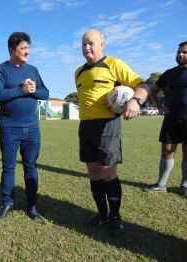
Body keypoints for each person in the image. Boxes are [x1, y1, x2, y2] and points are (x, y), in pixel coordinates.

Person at [75, 29, 149, 236]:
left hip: (108, 125)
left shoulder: (114, 64)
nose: (87, 48)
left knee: (108, 172)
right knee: (93, 171)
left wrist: (136, 100)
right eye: (83, 44)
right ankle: (102, 213)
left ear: (102, 44)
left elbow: (142, 85)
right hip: (85, 126)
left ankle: (116, 216)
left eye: (91, 43)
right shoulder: (79, 71)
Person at [0, 32, 49, 220]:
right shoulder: (0, 70)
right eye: (23, 48)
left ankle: (32, 205)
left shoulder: (33, 70)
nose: (27, 51)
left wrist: (33, 90)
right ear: (11, 50)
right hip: (9, 127)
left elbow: (45, 93)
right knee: (8, 167)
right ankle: (7, 203)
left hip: (32, 128)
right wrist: (21, 90)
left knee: (30, 166)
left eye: (29, 47)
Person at [144, 41, 187, 199]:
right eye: (178, 52)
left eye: (184, 52)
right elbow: (153, 90)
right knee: (167, 151)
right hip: (171, 118)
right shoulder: (169, 73)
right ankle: (161, 185)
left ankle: (185, 186)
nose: (180, 55)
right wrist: (159, 107)